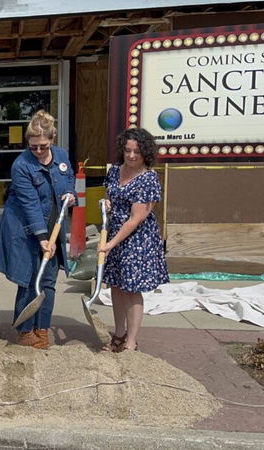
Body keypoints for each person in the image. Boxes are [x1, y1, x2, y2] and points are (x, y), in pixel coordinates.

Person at [0, 110, 75, 349]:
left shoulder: (61, 156)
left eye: (43, 146)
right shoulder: (22, 165)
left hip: (54, 225)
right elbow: (29, 204)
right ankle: (25, 330)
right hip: (25, 229)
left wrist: (70, 195)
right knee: (29, 281)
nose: (38, 151)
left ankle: (42, 329)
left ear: (52, 140)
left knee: (48, 282)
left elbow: (68, 179)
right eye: (33, 147)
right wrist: (41, 237)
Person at [99, 128, 169, 352]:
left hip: (136, 240)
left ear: (145, 153)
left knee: (131, 289)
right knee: (116, 287)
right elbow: (110, 195)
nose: (131, 156)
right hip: (115, 235)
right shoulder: (114, 172)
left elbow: (135, 219)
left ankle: (131, 341)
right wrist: (106, 202)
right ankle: (119, 334)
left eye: (136, 152)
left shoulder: (148, 179)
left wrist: (110, 244)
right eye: (127, 150)